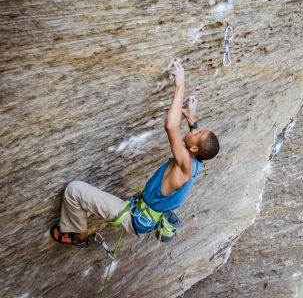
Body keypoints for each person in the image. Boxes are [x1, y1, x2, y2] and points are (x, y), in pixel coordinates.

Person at [50, 61, 219, 246]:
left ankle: (78, 237)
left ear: (194, 149)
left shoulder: (185, 166)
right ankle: (85, 216)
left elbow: (171, 126)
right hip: (144, 215)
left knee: (74, 190)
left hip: (134, 219)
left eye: (197, 133)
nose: (195, 130)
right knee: (86, 195)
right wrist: (192, 121)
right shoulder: (196, 161)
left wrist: (180, 85)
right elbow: (198, 145)